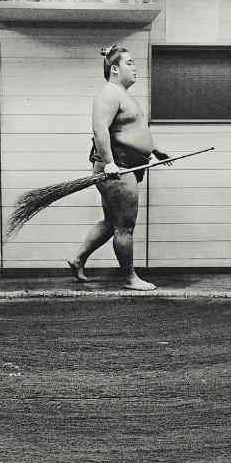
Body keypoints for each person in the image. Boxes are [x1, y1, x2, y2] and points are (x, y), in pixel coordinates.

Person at [67, 44, 171, 291]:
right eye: (129, 63)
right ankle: (130, 278)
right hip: (117, 167)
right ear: (115, 68)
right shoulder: (109, 93)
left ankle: (78, 259)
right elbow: (99, 129)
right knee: (125, 226)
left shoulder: (122, 94)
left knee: (111, 222)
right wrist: (110, 164)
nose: (135, 68)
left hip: (127, 166)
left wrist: (154, 149)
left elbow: (131, 129)